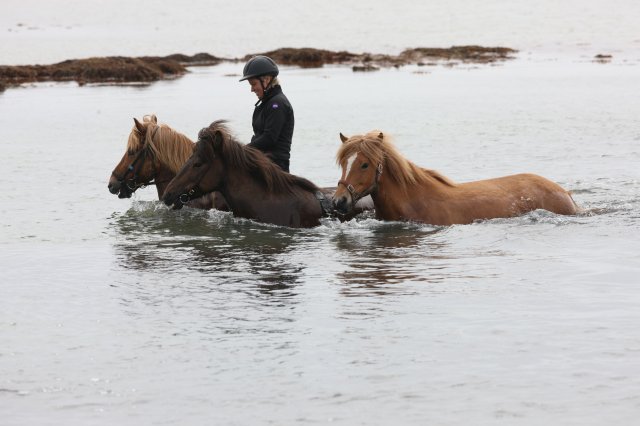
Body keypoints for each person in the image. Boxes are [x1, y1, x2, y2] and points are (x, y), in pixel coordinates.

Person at [239, 55, 294, 173]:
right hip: (262, 161)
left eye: (253, 84)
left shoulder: (277, 104)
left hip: (276, 167)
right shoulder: (267, 102)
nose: (252, 89)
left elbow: (269, 138)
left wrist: (242, 150)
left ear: (266, 80)